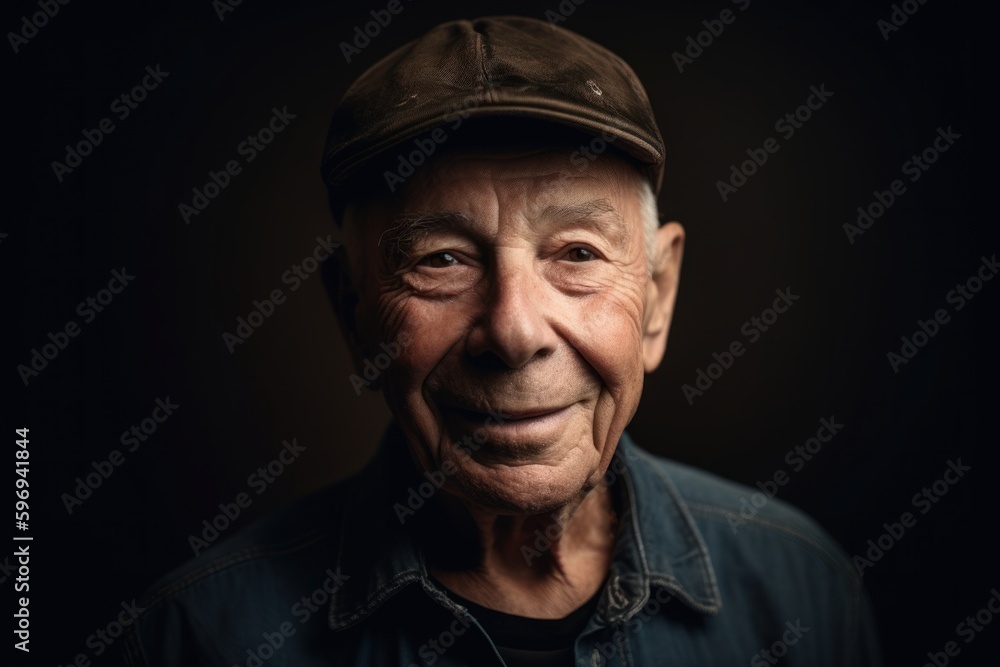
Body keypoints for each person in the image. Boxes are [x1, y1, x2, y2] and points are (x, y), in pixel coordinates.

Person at [123, 16, 881, 666]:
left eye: (577, 253)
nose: (514, 332)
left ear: (657, 296)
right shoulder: (194, 637)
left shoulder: (803, 590)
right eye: (442, 260)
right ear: (353, 313)